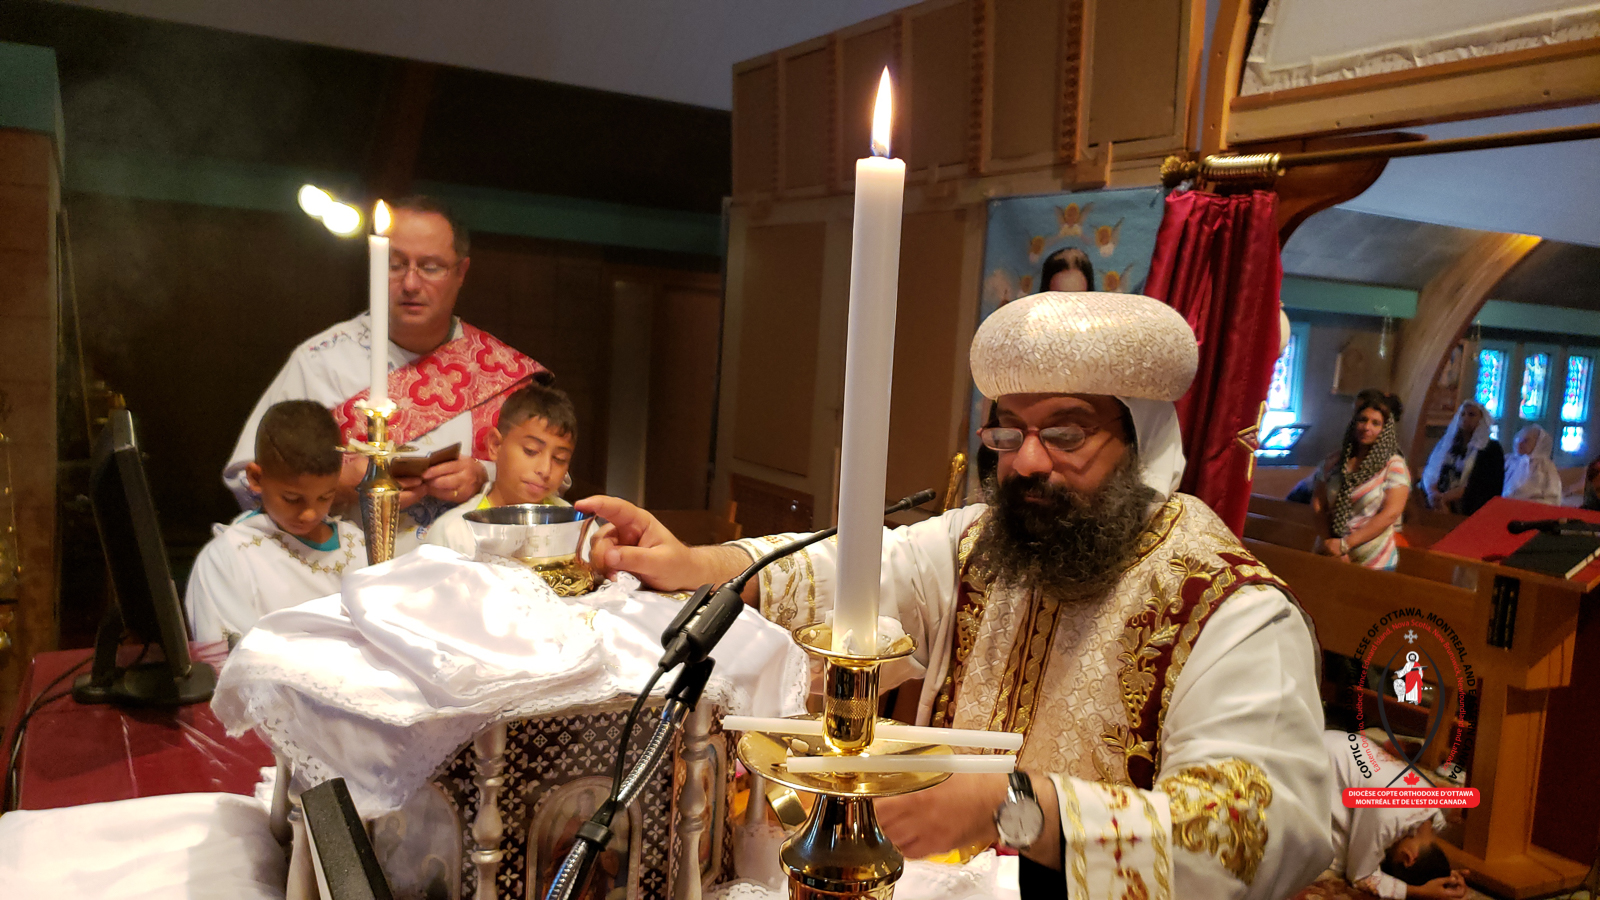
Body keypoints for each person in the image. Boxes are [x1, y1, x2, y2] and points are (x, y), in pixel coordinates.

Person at [579, 292, 1332, 898]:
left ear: (1145, 439)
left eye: (1066, 434)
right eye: (1008, 433)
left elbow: (1263, 834)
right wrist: (700, 564)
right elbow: (854, 571)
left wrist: (1016, 806)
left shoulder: (1230, 610)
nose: (1026, 463)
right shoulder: (983, 546)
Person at [223, 196, 551, 543]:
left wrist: (485, 476)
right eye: (395, 264)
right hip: (344, 565)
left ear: (461, 272)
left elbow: (552, 476)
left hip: (469, 566)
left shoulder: (499, 369)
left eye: (431, 267)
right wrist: (339, 484)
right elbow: (248, 478)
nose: (410, 283)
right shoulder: (320, 361)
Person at [188, 401, 366, 644]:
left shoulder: (358, 546)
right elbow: (229, 654)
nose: (309, 514)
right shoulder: (229, 558)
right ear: (256, 478)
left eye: (325, 497)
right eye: (292, 499)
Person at [425, 383, 578, 556]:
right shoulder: (454, 532)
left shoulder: (576, 528)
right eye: (531, 451)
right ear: (495, 445)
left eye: (559, 459)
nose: (545, 470)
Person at [1321, 732, 1469, 899]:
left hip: (1339, 741)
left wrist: (1443, 874)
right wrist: (1420, 891)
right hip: (1316, 758)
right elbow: (1360, 876)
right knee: (1337, 861)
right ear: (1408, 858)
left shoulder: (1433, 811)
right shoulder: (1388, 819)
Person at [1312, 390, 1410, 569]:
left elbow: (1391, 513)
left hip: (1374, 559)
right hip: (1329, 552)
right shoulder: (1334, 461)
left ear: (1385, 429)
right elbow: (1318, 503)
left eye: (1375, 423)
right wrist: (1330, 544)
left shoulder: (1393, 465)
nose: (1366, 427)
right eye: (1362, 420)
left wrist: (1345, 545)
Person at [1421, 401, 1504, 516]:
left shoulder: (1491, 449)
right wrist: (1433, 493)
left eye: (1471, 415)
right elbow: (1431, 471)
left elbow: (1483, 485)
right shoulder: (1448, 444)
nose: (1465, 418)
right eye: (1462, 414)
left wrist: (1446, 497)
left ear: (1481, 420)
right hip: (1437, 502)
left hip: (1468, 508)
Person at [1503, 424, 1562, 506]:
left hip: (1533, 507)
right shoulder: (1509, 461)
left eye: (1526, 441)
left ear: (1539, 443)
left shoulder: (1545, 466)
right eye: (1518, 440)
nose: (1520, 444)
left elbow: (1553, 495)